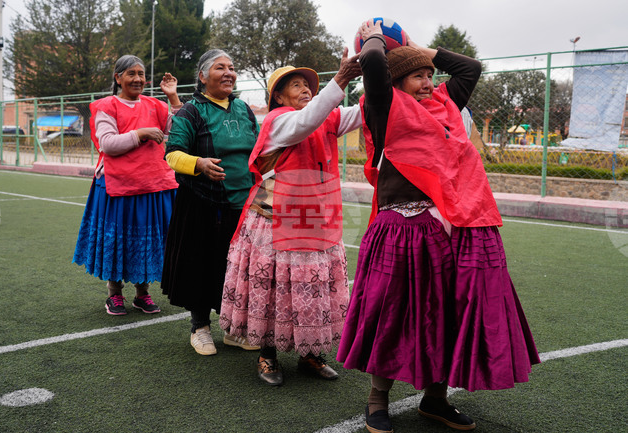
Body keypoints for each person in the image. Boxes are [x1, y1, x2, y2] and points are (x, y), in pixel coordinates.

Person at [336, 21, 540, 432]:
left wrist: (419, 50)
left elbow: (470, 68)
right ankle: (378, 399)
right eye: (418, 76)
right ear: (396, 81)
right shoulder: (383, 106)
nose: (429, 82)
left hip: (456, 228)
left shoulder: (446, 103)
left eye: (430, 76)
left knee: (450, 312)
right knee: (393, 313)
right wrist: (376, 37)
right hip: (402, 229)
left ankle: (436, 399)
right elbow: (375, 61)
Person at [219, 48, 363, 386]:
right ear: (278, 97)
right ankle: (267, 355)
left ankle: (309, 354)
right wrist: (340, 79)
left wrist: (378, 71)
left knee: (310, 290)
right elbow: (306, 121)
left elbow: (363, 113)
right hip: (274, 222)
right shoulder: (279, 121)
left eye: (307, 84)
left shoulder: (325, 116)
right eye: (295, 84)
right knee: (274, 289)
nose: (305, 88)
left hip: (315, 221)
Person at [161, 49, 260, 356]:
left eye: (232, 68)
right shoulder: (192, 110)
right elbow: (172, 154)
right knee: (201, 263)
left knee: (237, 269)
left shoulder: (244, 108)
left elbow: (259, 149)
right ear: (203, 77)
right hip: (203, 203)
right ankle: (200, 327)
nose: (229, 73)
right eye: (220, 68)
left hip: (243, 204)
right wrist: (200, 163)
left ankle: (232, 328)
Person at [73, 55, 181, 315]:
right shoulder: (107, 106)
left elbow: (179, 130)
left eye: (141, 74)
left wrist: (174, 98)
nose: (138, 79)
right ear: (118, 77)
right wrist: (141, 133)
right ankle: (115, 294)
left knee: (146, 241)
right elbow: (107, 144)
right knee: (119, 241)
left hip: (154, 185)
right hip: (117, 186)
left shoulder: (156, 105)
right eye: (131, 73)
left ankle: (142, 294)